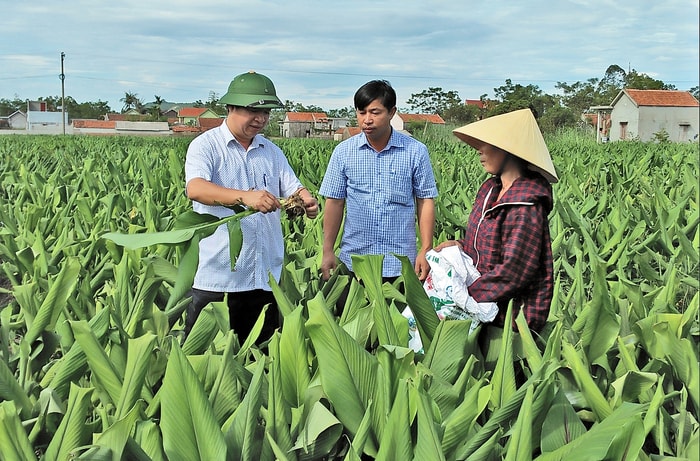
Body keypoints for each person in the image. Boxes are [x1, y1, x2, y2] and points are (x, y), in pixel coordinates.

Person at [184, 70, 318, 342]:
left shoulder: (271, 151)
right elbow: (195, 188)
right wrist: (245, 196)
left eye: (266, 112)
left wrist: (305, 198)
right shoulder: (206, 146)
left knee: (260, 362)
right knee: (202, 364)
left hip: (263, 279)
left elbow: (292, 185)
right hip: (219, 279)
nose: (261, 119)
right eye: (252, 111)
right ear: (231, 107)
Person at [434, 108, 557, 333]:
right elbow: (486, 241)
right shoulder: (491, 190)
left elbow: (514, 271)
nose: (479, 151)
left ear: (508, 149)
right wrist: (460, 245)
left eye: (486, 144)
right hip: (484, 305)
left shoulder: (526, 204)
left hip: (511, 315)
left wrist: (464, 294)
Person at [319, 80, 438, 295]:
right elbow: (334, 202)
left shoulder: (415, 151)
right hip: (355, 261)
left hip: (400, 262)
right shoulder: (343, 152)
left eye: (375, 112)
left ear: (392, 112)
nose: (367, 120)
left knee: (397, 326)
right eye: (361, 112)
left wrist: (426, 249)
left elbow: (425, 199)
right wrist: (327, 251)